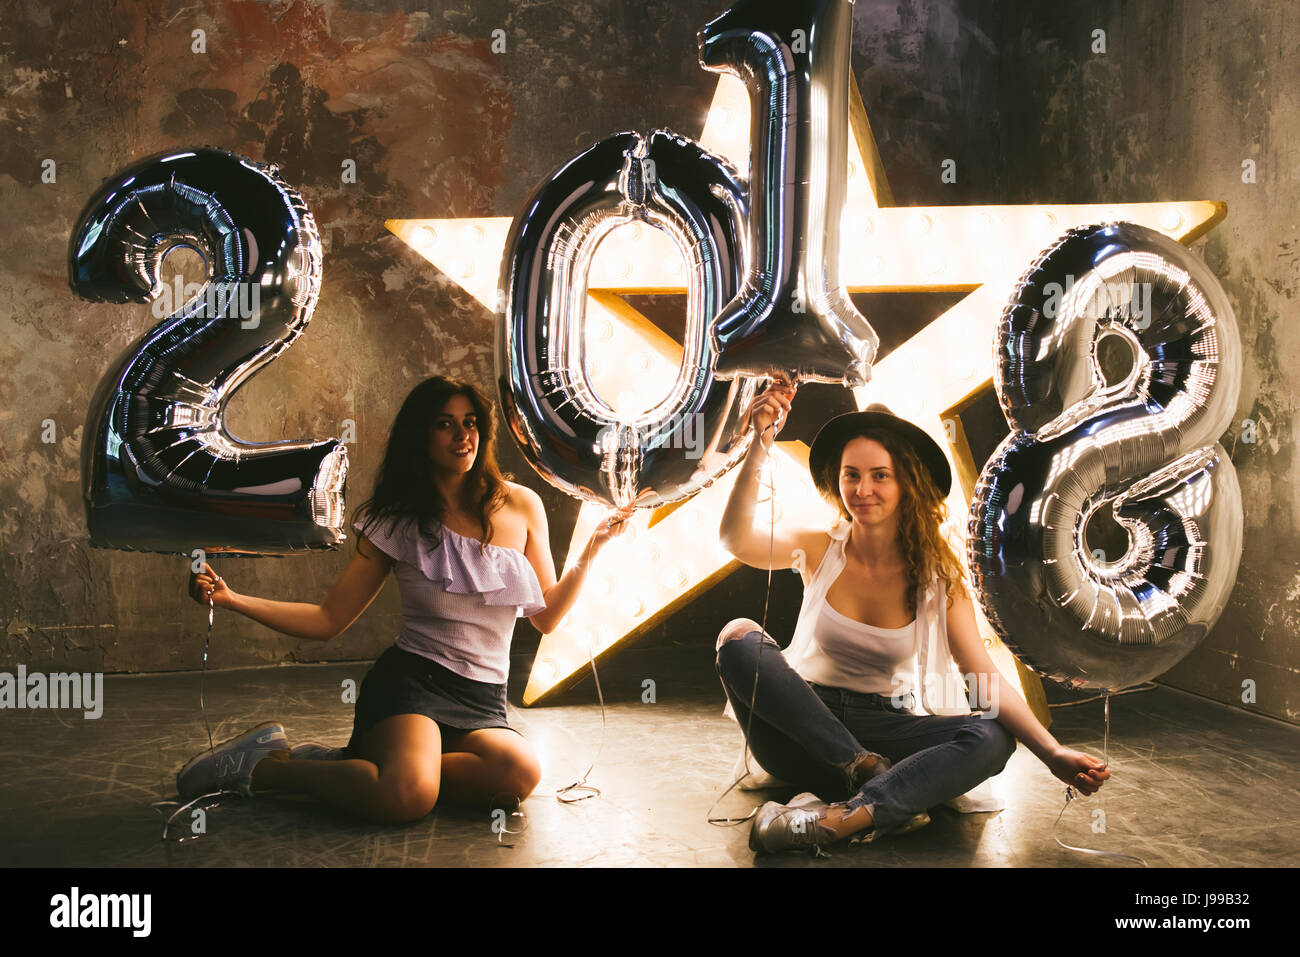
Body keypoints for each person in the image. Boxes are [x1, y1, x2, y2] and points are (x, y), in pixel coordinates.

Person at [180, 375, 631, 824]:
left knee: (518, 772)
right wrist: (234, 598)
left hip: (482, 698)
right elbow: (327, 619)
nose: (463, 435)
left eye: (470, 422)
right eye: (444, 424)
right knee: (407, 798)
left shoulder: (521, 505)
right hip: (412, 686)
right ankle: (265, 769)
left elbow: (547, 617)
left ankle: (350, 765)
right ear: (420, 436)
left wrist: (592, 549)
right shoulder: (396, 520)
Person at [716, 381, 1110, 853]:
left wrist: (1051, 752)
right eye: (851, 475)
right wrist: (760, 442)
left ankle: (840, 819)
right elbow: (735, 538)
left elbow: (981, 676)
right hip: (801, 731)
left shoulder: (937, 575)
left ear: (907, 482)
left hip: (889, 730)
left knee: (990, 735)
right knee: (738, 637)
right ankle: (863, 771)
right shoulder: (822, 546)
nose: (862, 490)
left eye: (880, 475)